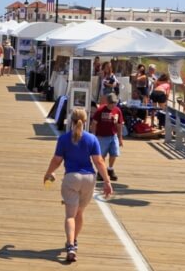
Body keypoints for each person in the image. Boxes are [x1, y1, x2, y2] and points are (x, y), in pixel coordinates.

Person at [43, 108, 113, 263]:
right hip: (89, 178)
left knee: (70, 216)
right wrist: (107, 181)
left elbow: (57, 160)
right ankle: (74, 241)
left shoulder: (64, 139)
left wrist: (48, 173)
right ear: (85, 121)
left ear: (71, 120)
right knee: (79, 213)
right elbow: (99, 161)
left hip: (71, 178)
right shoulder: (92, 139)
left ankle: (70, 246)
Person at [90, 93, 124, 181]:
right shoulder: (100, 110)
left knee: (114, 153)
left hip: (113, 135)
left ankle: (110, 169)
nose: (113, 105)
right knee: (102, 155)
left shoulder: (117, 110)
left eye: (115, 103)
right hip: (101, 136)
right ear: (107, 102)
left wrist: (120, 138)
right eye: (111, 103)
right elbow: (94, 123)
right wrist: (94, 136)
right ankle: (101, 172)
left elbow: (119, 125)